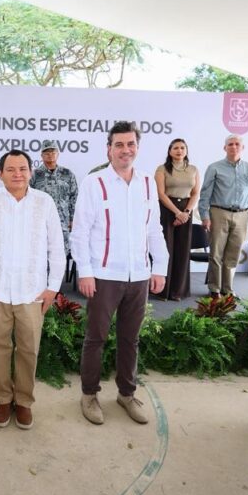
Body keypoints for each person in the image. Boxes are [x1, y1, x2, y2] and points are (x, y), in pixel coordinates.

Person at [71, 121, 168, 426]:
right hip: (103, 276)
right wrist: (85, 272)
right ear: (109, 149)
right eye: (119, 145)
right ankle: (89, 394)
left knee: (130, 339)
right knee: (95, 338)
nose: (126, 150)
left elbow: (154, 229)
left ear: (137, 147)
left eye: (131, 144)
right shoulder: (94, 182)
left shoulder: (148, 183)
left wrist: (159, 267)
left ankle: (127, 394)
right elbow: (80, 232)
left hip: (138, 276)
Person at [0, 149, 64, 430]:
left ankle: (23, 401)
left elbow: (57, 247)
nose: (17, 174)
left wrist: (52, 288)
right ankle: (3, 399)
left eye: (22, 169)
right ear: (0, 174)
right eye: (10, 169)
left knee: (28, 350)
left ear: (31, 172)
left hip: (32, 293)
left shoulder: (44, 203)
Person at [197, 135, 248, 298]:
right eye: (230, 144)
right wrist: (204, 216)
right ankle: (214, 289)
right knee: (216, 253)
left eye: (237, 144)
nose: (234, 147)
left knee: (233, 254)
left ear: (242, 147)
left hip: (242, 215)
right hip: (219, 212)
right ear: (225, 148)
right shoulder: (214, 168)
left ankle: (228, 289)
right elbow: (205, 193)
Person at [154, 138, 200, 300]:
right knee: (166, 249)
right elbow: (161, 194)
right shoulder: (162, 169)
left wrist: (186, 212)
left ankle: (178, 291)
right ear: (170, 151)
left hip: (186, 210)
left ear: (186, 151)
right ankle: (163, 291)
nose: (179, 151)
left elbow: (195, 193)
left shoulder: (193, 169)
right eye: (175, 148)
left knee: (182, 250)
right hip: (167, 209)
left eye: (182, 148)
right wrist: (177, 213)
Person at [29, 139, 78, 253]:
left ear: (58, 154)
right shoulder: (35, 175)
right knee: (39, 253)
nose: (50, 155)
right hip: (40, 223)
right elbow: (28, 197)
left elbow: (74, 197)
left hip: (63, 223)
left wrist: (72, 219)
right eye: (46, 152)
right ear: (41, 155)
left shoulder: (67, 174)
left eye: (53, 152)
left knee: (61, 254)